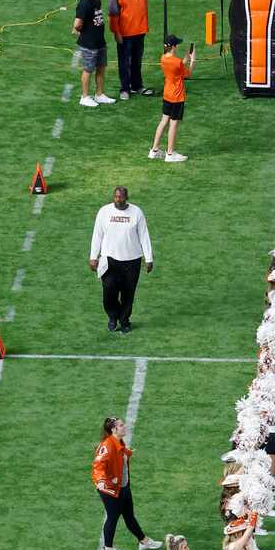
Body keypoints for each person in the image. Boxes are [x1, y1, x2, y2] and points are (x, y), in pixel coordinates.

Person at [93, 415, 160, 550]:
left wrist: (128, 453)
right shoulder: (107, 446)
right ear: (113, 429)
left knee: (129, 515)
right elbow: (98, 465)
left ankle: (143, 541)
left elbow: (120, 454)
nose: (125, 427)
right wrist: (101, 480)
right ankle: (108, 549)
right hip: (111, 489)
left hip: (123, 486)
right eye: (121, 425)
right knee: (112, 518)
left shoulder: (118, 441)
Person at [89, 185, 154, 333]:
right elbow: (97, 235)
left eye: (121, 197)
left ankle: (124, 321)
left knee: (128, 294)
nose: (118, 199)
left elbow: (144, 236)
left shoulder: (136, 212)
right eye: (116, 196)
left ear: (127, 198)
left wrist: (148, 258)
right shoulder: (104, 212)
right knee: (109, 292)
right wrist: (93, 256)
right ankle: (113, 317)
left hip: (132, 260)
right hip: (109, 260)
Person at [107, 0, 169, 99]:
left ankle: (137, 86)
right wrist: (116, 33)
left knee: (137, 60)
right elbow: (113, 15)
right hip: (125, 33)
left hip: (140, 31)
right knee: (124, 62)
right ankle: (124, 89)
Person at [149, 35, 195, 163]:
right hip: (177, 96)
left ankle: (154, 150)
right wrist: (192, 60)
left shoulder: (163, 58)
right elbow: (188, 73)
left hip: (167, 94)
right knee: (173, 124)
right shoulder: (177, 62)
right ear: (174, 46)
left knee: (163, 121)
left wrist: (185, 60)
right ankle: (170, 153)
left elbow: (176, 68)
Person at [74, 0, 115, 107]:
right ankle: (84, 97)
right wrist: (83, 31)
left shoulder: (97, 1)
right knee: (88, 69)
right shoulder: (84, 3)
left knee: (101, 68)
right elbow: (77, 24)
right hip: (89, 44)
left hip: (100, 42)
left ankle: (99, 94)